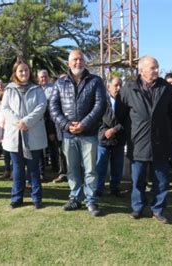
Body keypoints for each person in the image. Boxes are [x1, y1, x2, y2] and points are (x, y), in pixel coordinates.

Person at [116, 56, 172, 224]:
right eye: (153, 68)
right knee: (137, 179)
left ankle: (158, 210)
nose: (156, 70)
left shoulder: (166, 88)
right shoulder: (129, 88)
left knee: (161, 180)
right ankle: (137, 208)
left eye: (157, 67)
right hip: (138, 142)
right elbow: (120, 114)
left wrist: (160, 125)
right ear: (141, 70)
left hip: (160, 141)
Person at [49, 50, 105, 217]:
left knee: (90, 169)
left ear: (84, 62)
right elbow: (53, 107)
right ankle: (75, 197)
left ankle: (91, 200)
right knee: (72, 169)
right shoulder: (60, 83)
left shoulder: (95, 81)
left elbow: (100, 105)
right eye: (74, 59)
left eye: (81, 59)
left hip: (88, 134)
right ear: (68, 63)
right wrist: (66, 125)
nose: (78, 62)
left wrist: (84, 124)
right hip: (68, 134)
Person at [2, 59, 48, 209]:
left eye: (26, 70)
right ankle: (17, 198)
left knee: (34, 168)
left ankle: (37, 198)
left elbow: (41, 107)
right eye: (20, 70)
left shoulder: (37, 89)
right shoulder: (9, 90)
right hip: (15, 135)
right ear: (15, 73)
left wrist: (26, 122)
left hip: (32, 134)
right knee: (17, 169)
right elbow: (6, 108)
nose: (24, 73)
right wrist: (18, 122)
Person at [96, 77, 125, 197]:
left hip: (119, 139)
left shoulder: (125, 102)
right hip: (104, 140)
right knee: (100, 166)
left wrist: (114, 130)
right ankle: (98, 189)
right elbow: (96, 119)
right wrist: (104, 132)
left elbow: (128, 120)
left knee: (117, 166)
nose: (118, 88)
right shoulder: (101, 101)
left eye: (120, 85)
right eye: (116, 85)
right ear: (108, 87)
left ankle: (115, 188)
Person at [38, 69, 59, 178]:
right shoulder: (36, 89)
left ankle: (55, 167)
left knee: (52, 145)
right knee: (40, 147)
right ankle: (41, 171)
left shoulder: (54, 88)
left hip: (51, 121)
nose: (43, 78)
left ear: (48, 77)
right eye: (41, 77)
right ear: (38, 78)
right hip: (39, 122)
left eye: (45, 76)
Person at [0, 79, 12, 179]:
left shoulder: (10, 104)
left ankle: (13, 172)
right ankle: (7, 170)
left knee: (13, 152)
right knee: (6, 152)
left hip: (11, 129)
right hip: (2, 129)